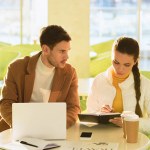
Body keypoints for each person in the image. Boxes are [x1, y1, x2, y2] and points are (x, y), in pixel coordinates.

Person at [0, 25, 80, 132]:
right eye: (62, 51)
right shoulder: (16, 68)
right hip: (17, 131)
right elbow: (6, 104)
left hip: (51, 132)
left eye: (67, 51)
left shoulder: (70, 73)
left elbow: (73, 108)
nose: (67, 57)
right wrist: (23, 127)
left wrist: (56, 127)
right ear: (45, 49)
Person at [87, 36, 150, 133]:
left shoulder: (145, 84)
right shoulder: (99, 80)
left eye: (126, 65)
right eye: (116, 62)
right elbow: (90, 115)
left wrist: (129, 122)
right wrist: (101, 115)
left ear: (135, 61)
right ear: (111, 57)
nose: (120, 69)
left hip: (132, 141)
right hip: (104, 139)